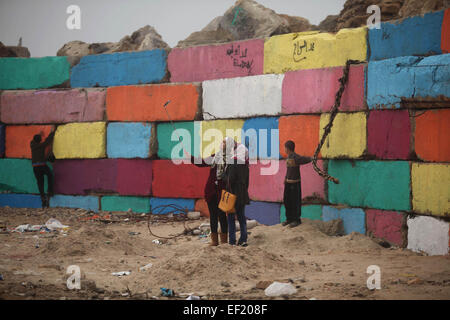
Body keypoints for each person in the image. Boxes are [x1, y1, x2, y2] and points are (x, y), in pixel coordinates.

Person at [186, 138, 235, 246]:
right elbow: (201, 162)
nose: (221, 144)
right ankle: (214, 241)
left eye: (224, 143)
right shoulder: (215, 156)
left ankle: (224, 241)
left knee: (222, 216)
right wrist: (190, 157)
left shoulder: (231, 160)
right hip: (211, 191)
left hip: (221, 193)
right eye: (222, 142)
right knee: (213, 216)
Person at [224, 141, 250, 246]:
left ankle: (232, 241)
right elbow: (247, 181)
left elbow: (230, 180)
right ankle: (243, 239)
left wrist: (223, 176)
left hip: (233, 194)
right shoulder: (246, 165)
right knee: (241, 217)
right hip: (243, 194)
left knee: (230, 218)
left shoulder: (232, 163)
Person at [282, 140, 312, 228]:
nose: (284, 149)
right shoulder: (288, 157)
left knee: (295, 202)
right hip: (288, 182)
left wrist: (312, 158)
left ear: (288, 148)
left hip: (295, 184)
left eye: (285, 148)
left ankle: (296, 220)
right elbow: (288, 170)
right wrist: (285, 178)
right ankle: (289, 219)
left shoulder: (296, 157)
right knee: (287, 201)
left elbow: (306, 159)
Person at [30, 129, 55, 208]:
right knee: (50, 175)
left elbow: (33, 140)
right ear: (40, 140)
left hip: (35, 167)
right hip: (42, 166)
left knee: (40, 182)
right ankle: (50, 191)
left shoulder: (32, 145)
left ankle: (43, 198)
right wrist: (53, 132)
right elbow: (48, 140)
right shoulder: (42, 145)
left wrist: (38, 134)